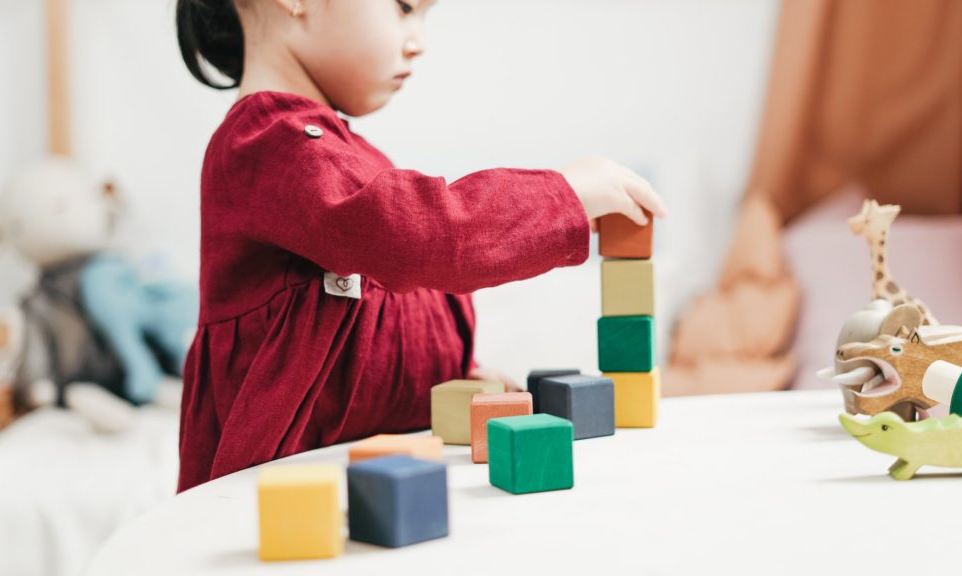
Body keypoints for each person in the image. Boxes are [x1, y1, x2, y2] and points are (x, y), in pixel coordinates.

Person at [174, 0, 667, 491]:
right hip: (277, 490)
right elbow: (420, 239)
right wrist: (564, 195)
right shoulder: (266, 142)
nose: (419, 42)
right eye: (405, 7)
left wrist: (449, 378)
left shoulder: (336, 153)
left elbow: (369, 325)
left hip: (373, 474)